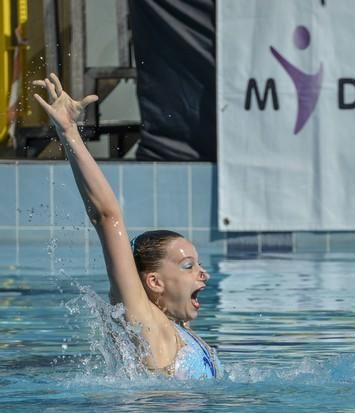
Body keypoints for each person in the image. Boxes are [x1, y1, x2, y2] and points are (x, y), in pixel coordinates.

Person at [33, 74, 221, 379]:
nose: (204, 273)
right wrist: (69, 132)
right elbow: (107, 217)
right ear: (155, 283)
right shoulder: (148, 325)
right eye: (188, 266)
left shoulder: (180, 329)